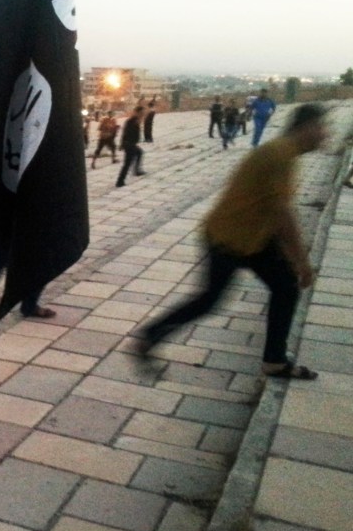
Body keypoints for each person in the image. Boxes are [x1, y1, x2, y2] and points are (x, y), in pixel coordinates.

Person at [135, 103, 330, 379]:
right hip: (230, 238)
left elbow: (274, 210)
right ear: (306, 127)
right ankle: (149, 335)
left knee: (283, 287)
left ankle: (274, 360)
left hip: (250, 238)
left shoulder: (283, 153)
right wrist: (302, 262)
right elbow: (282, 214)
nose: (325, 135)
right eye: (323, 128)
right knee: (211, 300)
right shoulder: (280, 155)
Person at [115, 106, 146, 188]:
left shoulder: (134, 120)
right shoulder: (133, 121)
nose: (143, 115)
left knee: (139, 152)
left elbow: (125, 133)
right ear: (137, 112)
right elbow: (125, 133)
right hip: (129, 145)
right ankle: (120, 181)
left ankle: (137, 170)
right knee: (127, 164)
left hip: (130, 144)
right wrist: (122, 144)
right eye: (142, 113)